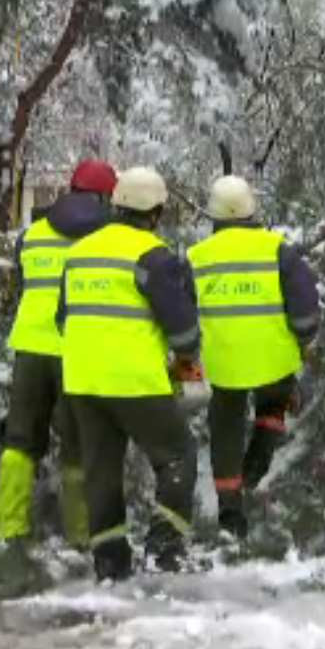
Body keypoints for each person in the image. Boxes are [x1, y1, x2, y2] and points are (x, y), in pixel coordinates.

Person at [58, 166, 201, 580]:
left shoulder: (79, 253)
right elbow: (183, 330)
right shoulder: (152, 256)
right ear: (155, 213)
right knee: (178, 456)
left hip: (82, 379)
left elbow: (62, 319)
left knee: (101, 471)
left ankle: (110, 563)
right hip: (135, 381)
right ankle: (164, 549)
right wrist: (186, 360)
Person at [0, 160, 118, 555]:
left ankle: (9, 527)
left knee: (19, 441)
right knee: (77, 445)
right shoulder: (110, 235)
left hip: (30, 347)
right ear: (105, 197)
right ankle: (80, 534)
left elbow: (23, 284)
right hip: (77, 349)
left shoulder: (32, 235)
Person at [187, 175, 320, 540]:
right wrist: (304, 338)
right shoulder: (278, 250)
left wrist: (186, 361)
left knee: (225, 429)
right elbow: (305, 307)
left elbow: (182, 316)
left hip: (223, 364)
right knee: (274, 400)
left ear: (213, 215)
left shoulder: (197, 257)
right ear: (251, 210)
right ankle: (259, 457)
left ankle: (231, 513)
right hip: (274, 359)